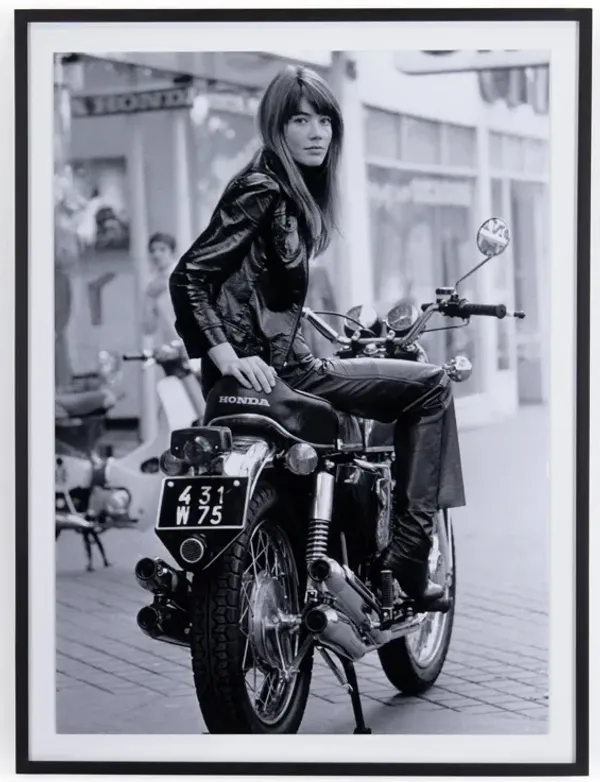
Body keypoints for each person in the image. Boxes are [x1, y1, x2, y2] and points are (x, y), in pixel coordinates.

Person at [169, 65, 465, 604]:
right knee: (432, 386)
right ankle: (410, 554)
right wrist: (226, 353)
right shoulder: (264, 188)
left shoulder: (282, 191)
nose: (316, 132)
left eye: (325, 120)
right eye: (300, 119)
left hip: (273, 362)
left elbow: (254, 289)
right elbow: (190, 274)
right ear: (275, 127)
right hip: (285, 371)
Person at [142, 232, 180, 345]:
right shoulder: (151, 282)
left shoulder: (183, 275)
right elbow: (149, 325)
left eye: (162, 250)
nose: (157, 254)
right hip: (168, 345)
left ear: (172, 252)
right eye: (153, 251)